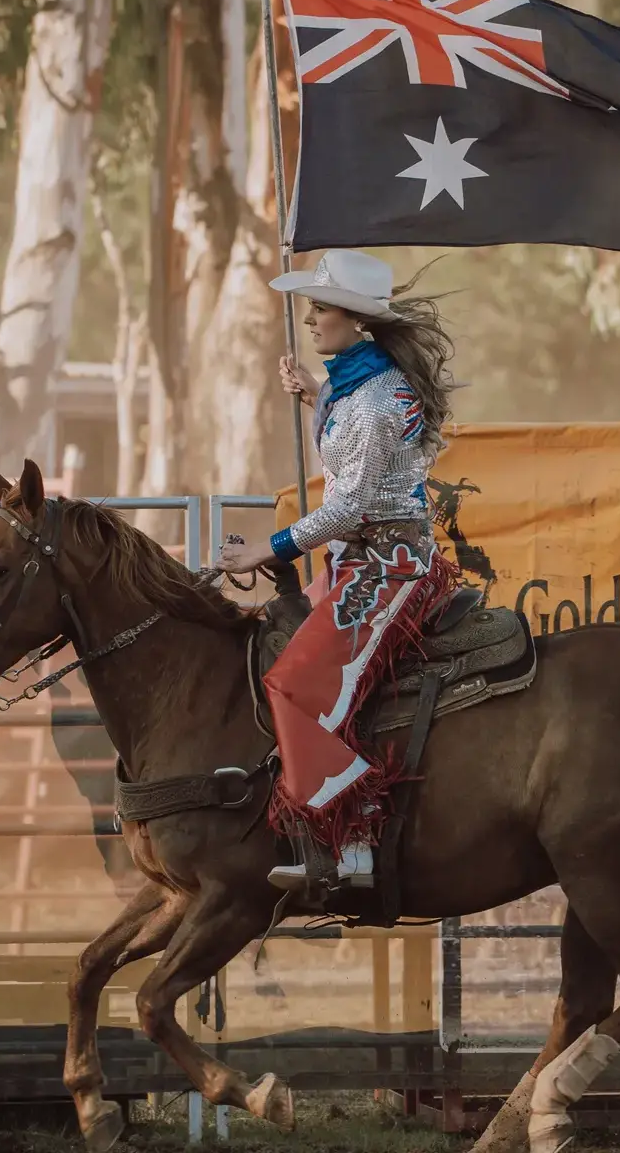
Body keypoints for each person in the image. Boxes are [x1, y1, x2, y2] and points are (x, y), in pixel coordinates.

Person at [215, 250, 460, 898]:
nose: (312, 317)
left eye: (321, 307)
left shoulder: (374, 399)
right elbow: (358, 445)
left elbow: (348, 502)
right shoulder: (362, 387)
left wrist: (264, 552)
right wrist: (315, 395)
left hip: (389, 566)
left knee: (294, 686)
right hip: (365, 560)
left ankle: (353, 839)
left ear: (354, 320)